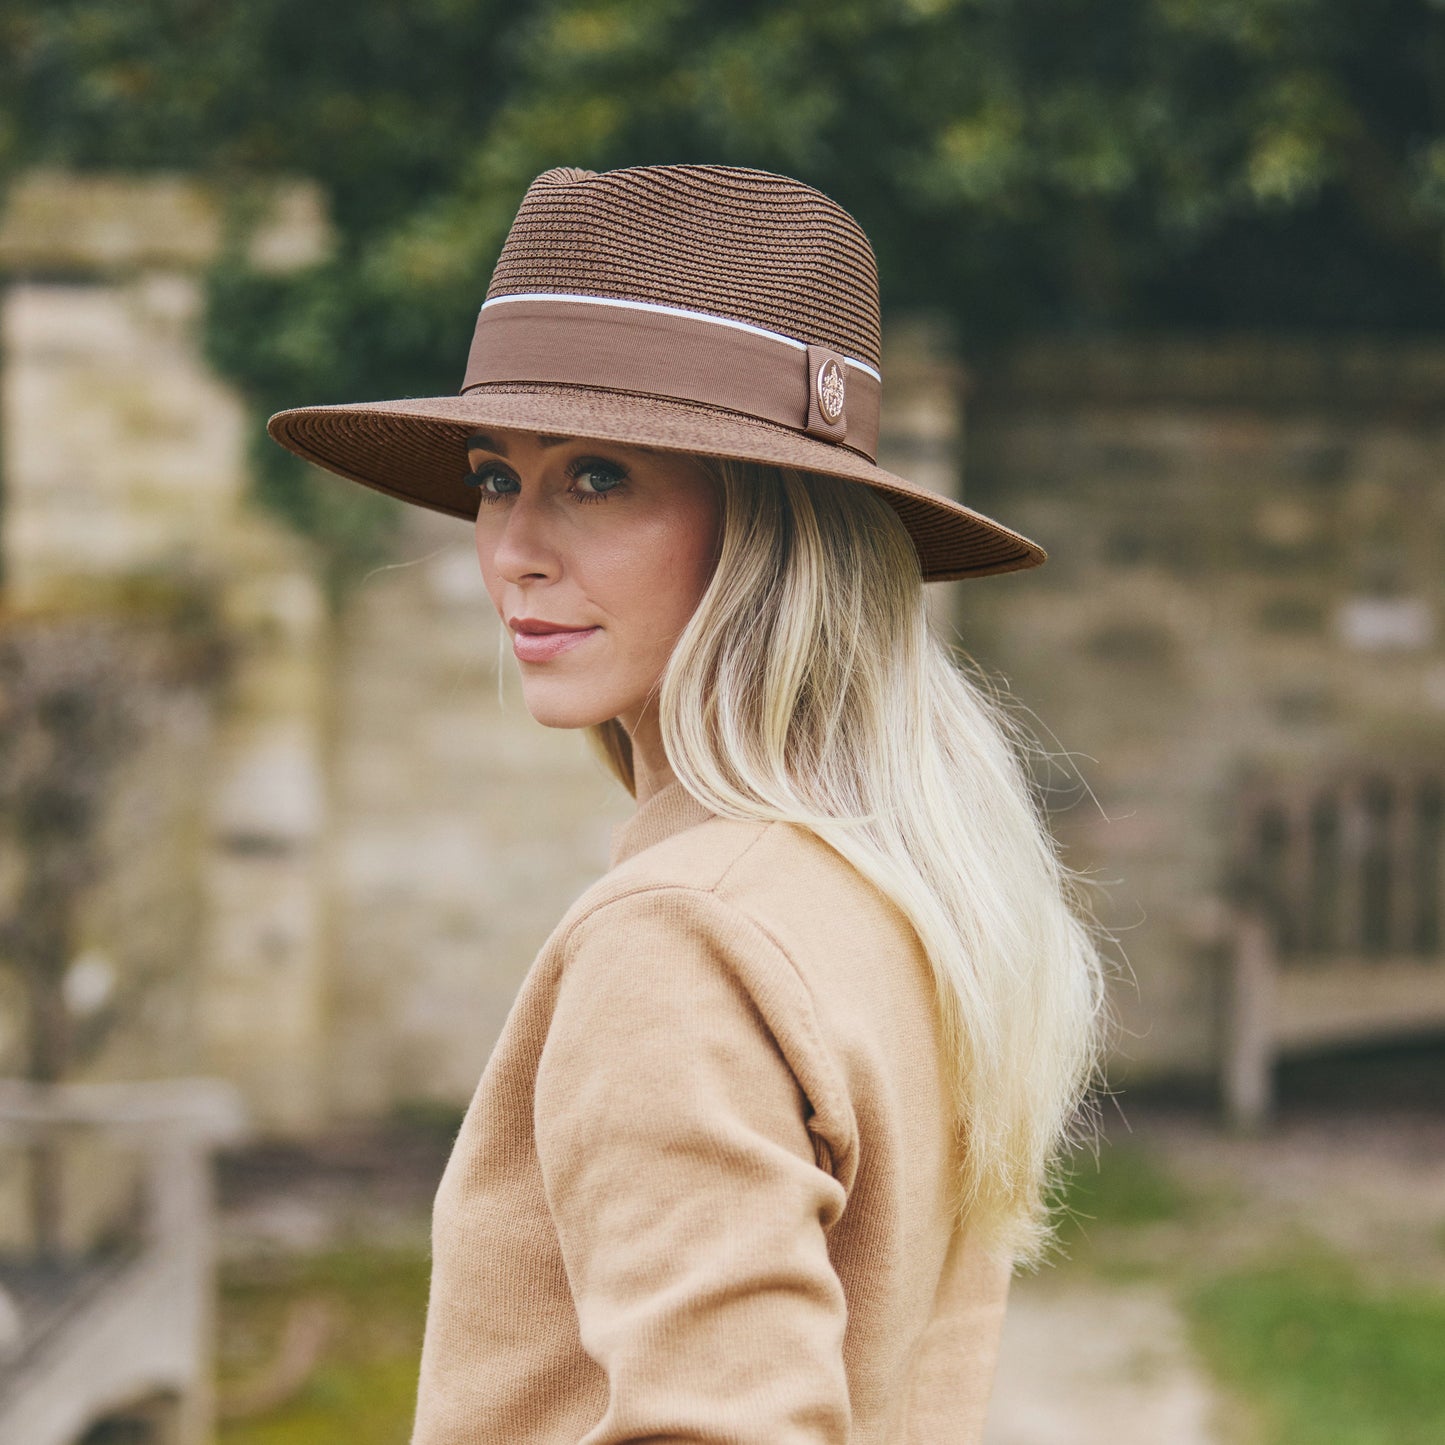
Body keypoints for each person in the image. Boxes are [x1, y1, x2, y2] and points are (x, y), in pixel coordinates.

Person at [268, 163, 1113, 1445]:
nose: (512, 546)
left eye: (597, 475)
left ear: (773, 534)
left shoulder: (683, 935)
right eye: (497, 473)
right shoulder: (900, 887)